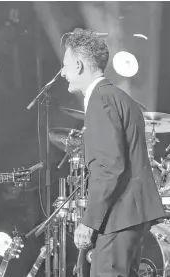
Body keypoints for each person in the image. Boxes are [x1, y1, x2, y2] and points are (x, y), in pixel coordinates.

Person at [61, 29, 165, 277]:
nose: (63, 73)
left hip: (118, 217)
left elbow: (109, 167)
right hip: (129, 216)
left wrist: (89, 221)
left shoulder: (101, 99)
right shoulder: (120, 97)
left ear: (78, 65)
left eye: (64, 66)